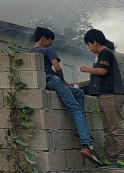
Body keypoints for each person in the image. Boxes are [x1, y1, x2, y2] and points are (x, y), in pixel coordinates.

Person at [29, 27, 102, 165]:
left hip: (44, 83)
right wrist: (63, 81)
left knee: (79, 93)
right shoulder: (47, 50)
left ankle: (78, 130)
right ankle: (87, 146)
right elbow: (57, 68)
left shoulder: (28, 52)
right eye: (50, 41)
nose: (51, 44)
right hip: (54, 81)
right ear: (43, 39)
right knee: (75, 108)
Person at [80, 29, 124, 167]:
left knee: (115, 128)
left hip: (110, 94)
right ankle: (112, 159)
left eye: (88, 44)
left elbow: (102, 71)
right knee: (109, 129)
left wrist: (87, 69)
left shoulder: (105, 53)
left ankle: (122, 158)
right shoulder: (101, 55)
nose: (89, 47)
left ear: (95, 42)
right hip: (104, 95)